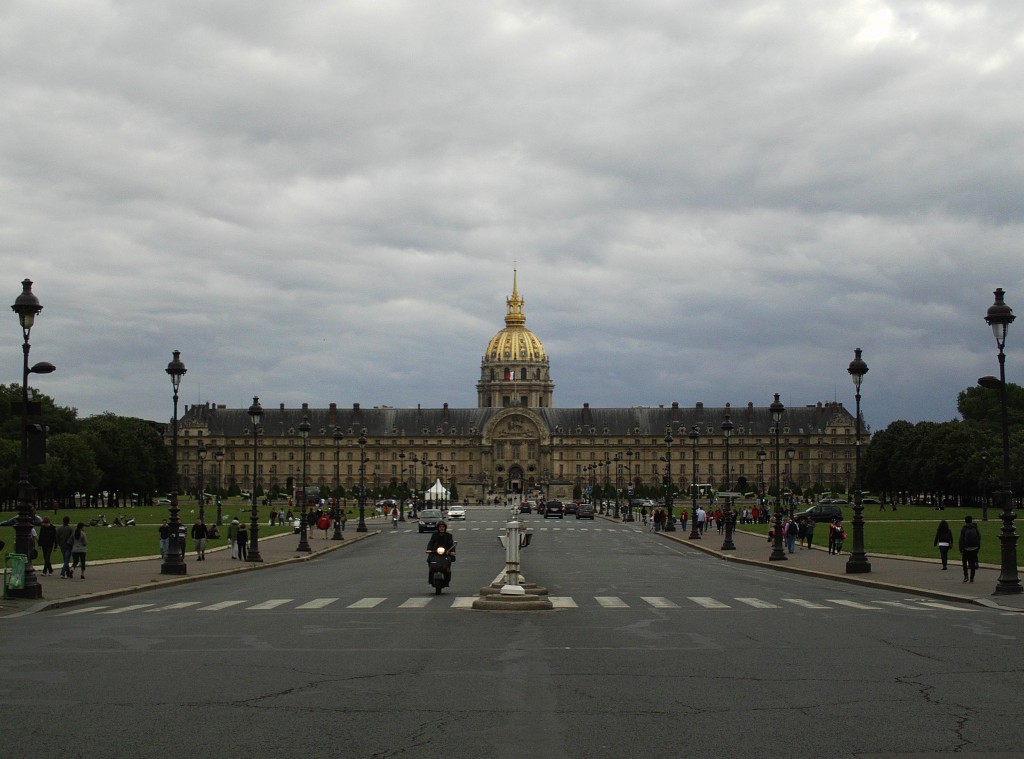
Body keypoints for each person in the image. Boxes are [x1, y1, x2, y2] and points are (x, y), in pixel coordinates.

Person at [426, 522, 455, 586]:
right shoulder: (434, 535)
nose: (441, 528)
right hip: (435, 552)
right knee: (429, 559)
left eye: (443, 527)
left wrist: (452, 551)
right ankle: (431, 575)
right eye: (440, 527)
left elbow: (451, 545)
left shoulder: (449, 535)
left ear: (445, 528)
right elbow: (431, 543)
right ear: (438, 528)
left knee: (448, 561)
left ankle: (447, 577)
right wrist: (429, 549)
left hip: (446, 553)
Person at [958, 515, 981, 583]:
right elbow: (979, 537)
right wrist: (978, 546)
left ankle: (966, 576)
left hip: (966, 548)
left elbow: (961, 539)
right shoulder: (975, 528)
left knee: (964, 562)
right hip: (974, 547)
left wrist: (961, 548)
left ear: (965, 521)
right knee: (972, 563)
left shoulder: (964, 528)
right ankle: (972, 578)